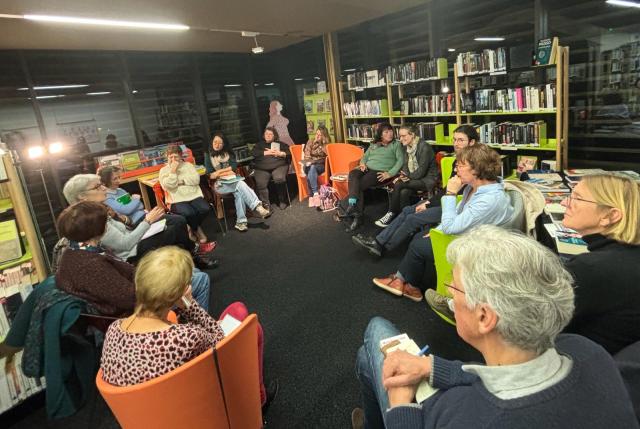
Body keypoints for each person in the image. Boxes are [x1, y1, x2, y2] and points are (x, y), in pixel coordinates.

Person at [353, 226, 639, 429]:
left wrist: (400, 406)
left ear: (484, 317)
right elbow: (507, 379)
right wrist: (431, 367)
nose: (450, 295)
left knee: (375, 333)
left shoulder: (466, 414)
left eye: (454, 288)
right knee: (370, 357)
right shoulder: (585, 350)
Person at [100, 246, 277, 410]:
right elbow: (220, 337)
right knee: (252, 327)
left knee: (236, 310)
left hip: (149, 412)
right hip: (193, 406)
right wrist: (189, 304)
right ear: (176, 294)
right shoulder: (186, 338)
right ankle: (258, 397)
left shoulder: (114, 329)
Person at [372, 144, 513, 302]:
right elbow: (458, 214)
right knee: (421, 236)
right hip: (469, 235)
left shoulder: (489, 199)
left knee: (418, 245)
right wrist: (437, 232)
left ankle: (405, 283)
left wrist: (451, 193)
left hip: (477, 247)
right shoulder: (473, 188)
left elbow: (451, 226)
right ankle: (408, 285)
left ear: (477, 169)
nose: (457, 169)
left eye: (461, 165)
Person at [55, 201, 211, 316]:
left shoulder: (75, 252)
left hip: (136, 290)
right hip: (135, 312)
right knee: (200, 279)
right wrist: (161, 280)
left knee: (192, 271)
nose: (108, 225)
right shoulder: (90, 266)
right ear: (98, 228)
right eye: (105, 222)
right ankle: (198, 331)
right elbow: (131, 298)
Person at [352, 125, 479, 257]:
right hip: (448, 199)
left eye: (460, 140)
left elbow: (455, 193)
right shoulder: (458, 161)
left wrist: (428, 203)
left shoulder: (473, 164)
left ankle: (384, 243)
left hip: (456, 206)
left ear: (472, 142)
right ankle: (378, 240)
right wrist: (426, 199)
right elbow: (448, 189)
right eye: (454, 140)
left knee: (411, 214)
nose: (456, 144)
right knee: (407, 207)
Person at [62, 174, 218, 268]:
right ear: (82, 196)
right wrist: (147, 222)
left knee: (176, 219)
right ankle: (194, 256)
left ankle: (193, 254)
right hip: (131, 252)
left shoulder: (102, 207)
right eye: (97, 187)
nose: (103, 189)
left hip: (135, 234)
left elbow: (127, 222)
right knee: (174, 229)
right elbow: (125, 244)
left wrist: (127, 219)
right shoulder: (89, 220)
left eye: (102, 184)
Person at [560, 173, 640, 355]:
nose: (565, 203)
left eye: (577, 198)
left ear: (610, 215)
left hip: (581, 366)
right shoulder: (622, 258)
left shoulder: (591, 269)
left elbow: (528, 322)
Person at [339, 123, 403, 232]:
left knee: (358, 185)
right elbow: (365, 157)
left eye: (391, 131)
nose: (390, 133)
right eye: (386, 132)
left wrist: (390, 173)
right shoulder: (374, 144)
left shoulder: (396, 144)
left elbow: (400, 161)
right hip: (367, 168)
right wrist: (363, 163)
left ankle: (352, 209)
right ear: (380, 134)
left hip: (380, 172)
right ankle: (355, 210)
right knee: (353, 173)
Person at [204, 132, 270, 232]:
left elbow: (233, 168)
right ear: (212, 142)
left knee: (239, 192)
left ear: (224, 144)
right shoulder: (208, 155)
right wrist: (224, 171)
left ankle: (241, 223)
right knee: (240, 184)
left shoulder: (229, 153)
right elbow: (211, 175)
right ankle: (257, 207)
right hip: (219, 185)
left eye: (220, 143)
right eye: (215, 142)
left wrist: (219, 172)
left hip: (232, 180)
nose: (217, 145)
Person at [375, 125, 438, 227]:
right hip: (413, 179)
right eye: (399, 136)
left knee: (399, 184)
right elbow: (404, 166)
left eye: (404, 136)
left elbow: (421, 172)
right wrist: (403, 176)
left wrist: (404, 179)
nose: (400, 139)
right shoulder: (405, 147)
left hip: (427, 180)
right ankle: (405, 220)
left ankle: (391, 213)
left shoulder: (424, 147)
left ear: (412, 135)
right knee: (404, 192)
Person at [159, 145, 211, 243]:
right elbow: (167, 186)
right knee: (189, 213)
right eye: (171, 157)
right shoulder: (164, 170)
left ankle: (191, 227)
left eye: (176, 157)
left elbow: (196, 180)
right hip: (176, 199)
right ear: (167, 157)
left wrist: (181, 182)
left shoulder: (188, 165)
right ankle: (198, 230)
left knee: (205, 209)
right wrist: (173, 171)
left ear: (181, 156)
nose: (173, 159)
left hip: (193, 195)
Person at [252, 127, 291, 211]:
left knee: (279, 178)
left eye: (270, 134)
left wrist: (280, 153)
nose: (268, 136)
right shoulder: (259, 145)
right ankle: (266, 205)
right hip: (262, 168)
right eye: (266, 134)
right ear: (264, 135)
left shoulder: (281, 144)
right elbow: (253, 153)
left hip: (279, 166)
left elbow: (289, 152)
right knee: (261, 183)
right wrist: (266, 152)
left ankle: (282, 200)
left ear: (274, 136)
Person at [302, 125, 330, 208]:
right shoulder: (310, 141)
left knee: (311, 171)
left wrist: (322, 144)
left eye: (320, 135)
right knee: (311, 168)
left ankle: (311, 197)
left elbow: (328, 156)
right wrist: (308, 161)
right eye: (316, 134)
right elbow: (307, 155)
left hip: (320, 165)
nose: (317, 136)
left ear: (324, 136)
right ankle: (316, 194)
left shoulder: (326, 144)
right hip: (308, 164)